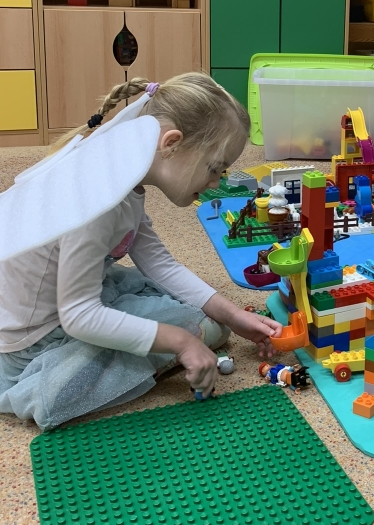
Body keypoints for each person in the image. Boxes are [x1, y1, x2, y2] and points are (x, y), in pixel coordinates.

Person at [0, 73, 283, 431]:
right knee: (198, 330)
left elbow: (159, 264)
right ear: (171, 143)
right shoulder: (98, 199)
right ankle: (40, 386)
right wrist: (182, 343)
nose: (216, 183)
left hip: (48, 298)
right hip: (32, 341)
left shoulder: (118, 171)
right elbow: (79, 314)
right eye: (214, 169)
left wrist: (233, 314)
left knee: (191, 311)